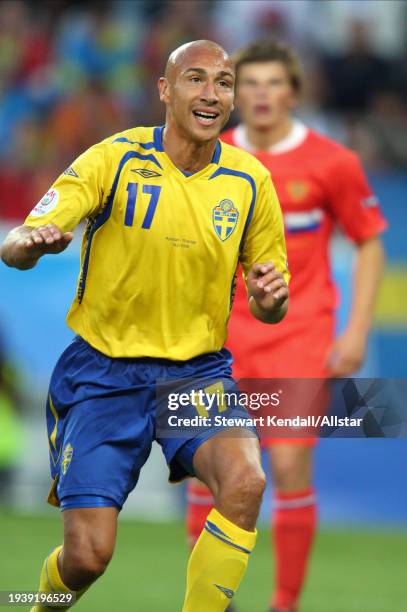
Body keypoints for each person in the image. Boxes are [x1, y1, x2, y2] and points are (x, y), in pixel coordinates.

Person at [0, 40, 290, 612]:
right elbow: (14, 246)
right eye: (196, 79)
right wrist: (31, 245)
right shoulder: (113, 159)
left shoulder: (250, 183)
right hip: (106, 373)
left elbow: (271, 299)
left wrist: (269, 298)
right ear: (165, 89)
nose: (211, 94)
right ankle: (35, 603)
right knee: (87, 557)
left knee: (245, 482)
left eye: (224, 83)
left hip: (196, 374)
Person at [186, 40, 387, 612]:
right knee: (206, 472)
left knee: (291, 463)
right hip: (219, 338)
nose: (261, 95)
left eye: (274, 84)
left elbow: (369, 243)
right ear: (230, 93)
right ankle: (209, 602)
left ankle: (284, 602)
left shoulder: (332, 163)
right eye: (248, 84)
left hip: (300, 337)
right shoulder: (209, 155)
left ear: (293, 93)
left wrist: (355, 332)